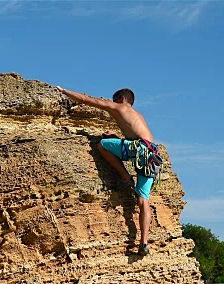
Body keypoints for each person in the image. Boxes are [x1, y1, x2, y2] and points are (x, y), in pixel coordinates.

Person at [56, 86, 156, 256]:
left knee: (102, 145)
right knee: (143, 200)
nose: (113, 104)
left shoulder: (119, 106)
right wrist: (118, 139)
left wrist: (63, 91)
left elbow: (86, 100)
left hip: (139, 150)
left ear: (123, 100)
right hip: (153, 154)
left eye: (115, 100)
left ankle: (125, 176)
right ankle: (143, 243)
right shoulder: (139, 116)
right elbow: (138, 136)